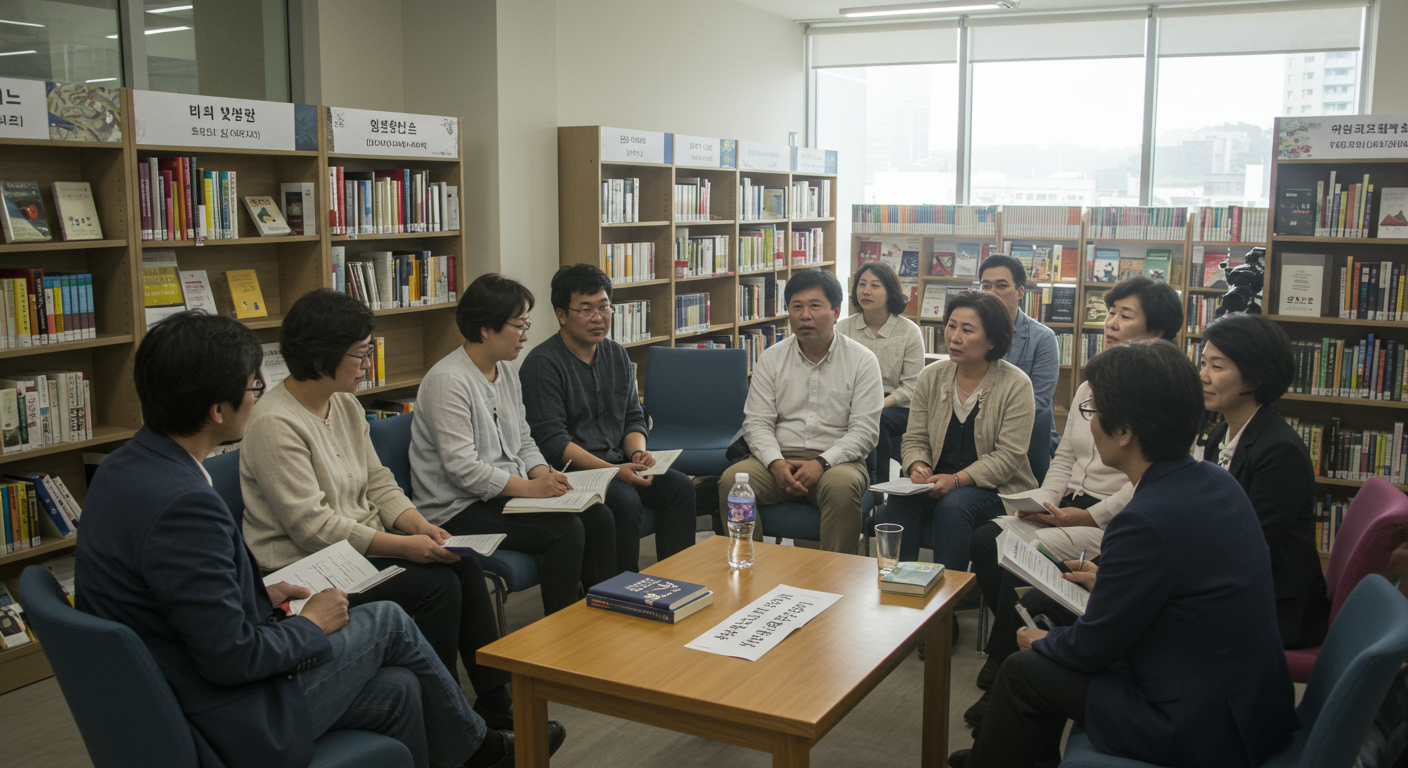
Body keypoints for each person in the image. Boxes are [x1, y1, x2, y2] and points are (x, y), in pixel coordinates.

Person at [75, 311, 514, 768]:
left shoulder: (121, 468)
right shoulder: (184, 505)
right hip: (220, 716)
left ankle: (470, 745)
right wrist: (311, 624)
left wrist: (255, 594)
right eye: (253, 387)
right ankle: (482, 748)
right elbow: (232, 658)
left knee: (402, 690)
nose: (258, 398)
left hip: (177, 689)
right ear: (217, 410)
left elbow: (176, 596)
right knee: (387, 620)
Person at [951, 340, 1298, 768]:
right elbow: (1185, 583)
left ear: (1125, 432)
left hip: (1194, 719)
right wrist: (1109, 583)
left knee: (1026, 668)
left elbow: (1092, 649)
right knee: (1048, 605)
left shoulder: (1144, 519)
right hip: (1244, 698)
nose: (1090, 422)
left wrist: (1044, 643)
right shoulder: (1211, 479)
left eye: (1093, 411)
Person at [239, 290, 562, 745]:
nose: (368, 363)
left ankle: (492, 699)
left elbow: (379, 483)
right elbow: (312, 527)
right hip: (307, 565)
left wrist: (418, 525)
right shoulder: (275, 422)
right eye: (361, 353)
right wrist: (403, 545)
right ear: (321, 357)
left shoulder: (345, 403)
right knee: (433, 587)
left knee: (462, 562)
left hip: (358, 549)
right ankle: (447, 717)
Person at [965, 276, 1183, 719]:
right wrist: (1043, 502)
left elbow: (1144, 483)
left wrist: (1082, 519)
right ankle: (1015, 640)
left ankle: (1006, 657)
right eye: (1112, 313)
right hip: (1066, 505)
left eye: (1126, 315)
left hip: (1107, 516)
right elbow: (1063, 454)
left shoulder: (1163, 393)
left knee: (1021, 551)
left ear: (1157, 332)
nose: (1112, 323)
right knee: (985, 541)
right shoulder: (1092, 383)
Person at [411, 273, 616, 614]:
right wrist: (531, 489)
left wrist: (542, 474)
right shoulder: (448, 381)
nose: (525, 334)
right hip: (458, 509)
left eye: (527, 323)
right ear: (485, 328)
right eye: (518, 326)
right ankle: (562, 636)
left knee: (598, 514)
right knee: (566, 531)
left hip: (505, 495)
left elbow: (522, 438)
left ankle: (604, 617)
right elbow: (464, 470)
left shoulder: (504, 371)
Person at [520, 264, 697, 572]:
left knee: (680, 488)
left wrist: (638, 452)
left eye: (604, 307)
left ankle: (677, 580)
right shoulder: (542, 365)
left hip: (619, 462)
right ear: (561, 314)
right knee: (624, 500)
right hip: (572, 472)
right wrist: (613, 471)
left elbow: (633, 416)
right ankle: (621, 593)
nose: (598, 317)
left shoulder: (616, 355)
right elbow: (553, 443)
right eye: (586, 309)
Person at [718, 268, 882, 553]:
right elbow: (757, 423)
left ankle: (836, 577)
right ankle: (747, 569)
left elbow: (864, 432)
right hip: (778, 460)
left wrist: (822, 463)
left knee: (842, 487)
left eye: (815, 306)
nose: (805, 315)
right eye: (797, 307)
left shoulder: (862, 361)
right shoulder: (771, 358)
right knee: (732, 481)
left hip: (838, 463)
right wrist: (775, 462)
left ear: (836, 312)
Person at [877, 290, 1037, 571]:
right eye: (951, 326)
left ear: (991, 341)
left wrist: (957, 480)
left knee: (955, 505)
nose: (954, 337)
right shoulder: (932, 376)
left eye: (967, 330)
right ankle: (898, 590)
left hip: (997, 490)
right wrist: (918, 465)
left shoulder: (1016, 384)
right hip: (936, 482)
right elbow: (915, 437)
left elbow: (1008, 458)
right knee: (901, 502)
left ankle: (946, 606)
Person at [1199, 311, 1330, 649]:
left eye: (1217, 366)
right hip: (1234, 581)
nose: (1203, 376)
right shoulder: (1219, 434)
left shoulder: (1279, 451)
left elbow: (1248, 548)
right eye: (1203, 363)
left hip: (1276, 605)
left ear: (1254, 378)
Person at [838, 261, 924, 484]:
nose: (866, 291)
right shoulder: (841, 329)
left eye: (875, 285)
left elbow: (913, 386)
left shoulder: (909, 331)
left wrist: (877, 404)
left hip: (896, 407)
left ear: (890, 292)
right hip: (850, 402)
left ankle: (878, 487)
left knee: (876, 419)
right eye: (862, 284)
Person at [979, 254, 1060, 454]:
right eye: (986, 286)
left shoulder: (1043, 338)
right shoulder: (971, 333)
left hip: (1026, 439)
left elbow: (1038, 401)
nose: (992, 293)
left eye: (1001, 286)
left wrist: (983, 418)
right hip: (973, 432)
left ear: (1020, 291)